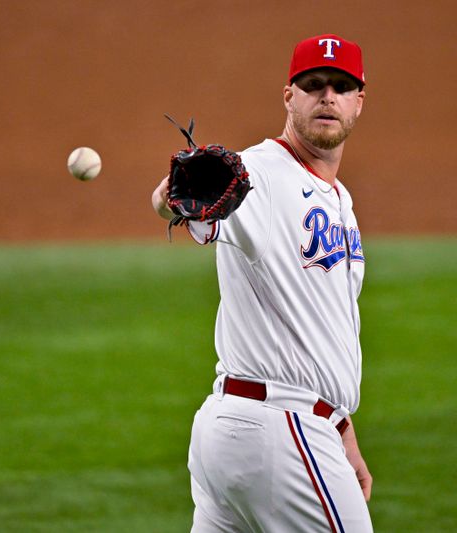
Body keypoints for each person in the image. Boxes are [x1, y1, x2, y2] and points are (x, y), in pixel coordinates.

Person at [152, 34, 372, 533]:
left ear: (360, 101)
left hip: (243, 430)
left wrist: (342, 429)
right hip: (281, 432)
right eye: (313, 85)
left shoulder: (341, 200)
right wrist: (171, 198)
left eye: (341, 86)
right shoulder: (261, 174)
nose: (327, 97)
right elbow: (189, 202)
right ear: (289, 95)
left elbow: (324, 326)